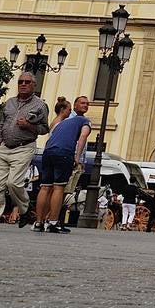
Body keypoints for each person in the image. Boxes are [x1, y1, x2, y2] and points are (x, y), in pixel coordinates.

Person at [0, 73, 50, 231]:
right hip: (4, 148)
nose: (23, 84)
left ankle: (24, 209)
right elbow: (1, 122)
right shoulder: (9, 103)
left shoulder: (40, 105)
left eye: (27, 82)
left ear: (34, 85)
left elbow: (44, 129)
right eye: (20, 82)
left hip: (24, 147)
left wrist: (28, 126)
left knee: (13, 183)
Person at [36, 95, 91, 234]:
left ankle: (38, 222)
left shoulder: (62, 120)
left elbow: (52, 129)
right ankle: (53, 222)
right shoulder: (84, 121)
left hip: (48, 151)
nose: (85, 105)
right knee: (59, 188)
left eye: (87, 104)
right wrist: (77, 158)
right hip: (64, 152)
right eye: (82, 103)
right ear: (75, 105)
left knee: (45, 188)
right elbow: (83, 137)